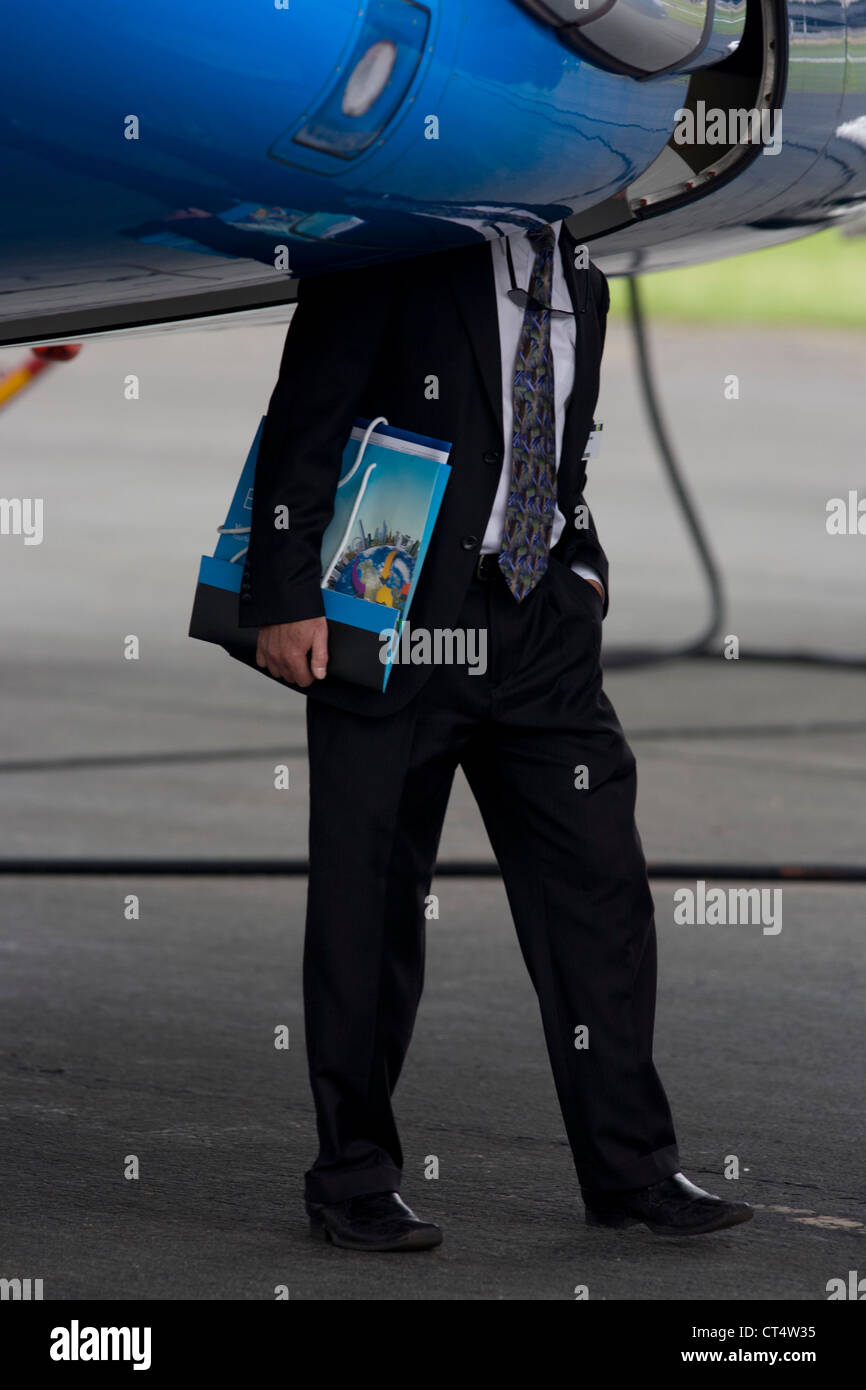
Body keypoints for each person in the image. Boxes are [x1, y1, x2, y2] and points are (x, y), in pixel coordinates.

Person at [238, 222, 753, 1250]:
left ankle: (630, 1168)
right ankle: (352, 1176)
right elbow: (307, 410)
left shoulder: (582, 277)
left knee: (597, 891)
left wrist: (581, 566)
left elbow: (560, 445)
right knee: (368, 905)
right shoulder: (398, 243)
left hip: (538, 634)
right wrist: (284, 595)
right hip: (394, 617)